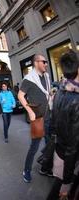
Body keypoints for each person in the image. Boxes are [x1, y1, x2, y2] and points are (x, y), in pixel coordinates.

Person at [46, 50, 79, 200]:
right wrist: (67, 183)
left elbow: (53, 125)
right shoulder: (76, 99)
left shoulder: (60, 91)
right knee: (62, 191)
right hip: (71, 160)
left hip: (60, 152)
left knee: (56, 188)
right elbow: (73, 146)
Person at [18, 54, 51, 183]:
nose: (46, 64)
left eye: (47, 62)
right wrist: (30, 111)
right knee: (34, 147)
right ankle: (26, 170)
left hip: (49, 116)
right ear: (36, 63)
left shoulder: (47, 77)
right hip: (37, 118)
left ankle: (45, 168)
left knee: (50, 145)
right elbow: (21, 96)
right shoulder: (29, 79)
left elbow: (46, 93)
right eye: (44, 62)